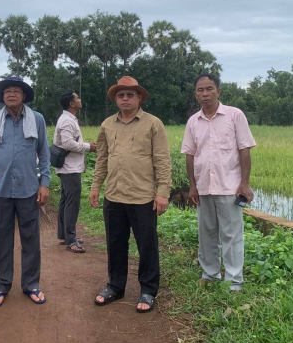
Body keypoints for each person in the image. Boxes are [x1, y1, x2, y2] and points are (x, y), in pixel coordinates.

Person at [89, 76, 172, 313]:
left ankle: (148, 289)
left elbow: (162, 160)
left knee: (147, 245)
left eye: (130, 94)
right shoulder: (107, 125)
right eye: (121, 95)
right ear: (116, 99)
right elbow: (102, 159)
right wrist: (96, 186)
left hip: (143, 197)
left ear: (139, 98)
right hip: (114, 195)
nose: (125, 98)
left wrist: (163, 192)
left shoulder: (153, 124)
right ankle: (115, 286)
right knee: (115, 243)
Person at [0, 76, 51, 308]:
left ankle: (31, 284)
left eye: (16, 91)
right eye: (7, 91)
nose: (11, 94)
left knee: (31, 240)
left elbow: (44, 153)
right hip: (2, 190)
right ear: (3, 96)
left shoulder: (36, 119)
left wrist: (45, 183)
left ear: (24, 96)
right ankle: (1, 285)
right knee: (1, 241)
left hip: (29, 189)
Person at [181, 73, 256, 293]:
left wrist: (244, 183)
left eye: (209, 89)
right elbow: (190, 155)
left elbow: (244, 150)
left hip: (229, 186)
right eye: (200, 90)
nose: (205, 93)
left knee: (232, 235)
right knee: (207, 233)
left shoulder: (234, 115)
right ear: (196, 94)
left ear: (218, 91)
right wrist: (192, 186)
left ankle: (234, 281)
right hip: (204, 186)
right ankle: (210, 274)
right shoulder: (193, 122)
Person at [53, 91, 96, 253]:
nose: (80, 99)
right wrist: (88, 147)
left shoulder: (68, 119)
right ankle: (71, 240)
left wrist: (85, 145)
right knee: (72, 203)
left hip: (68, 167)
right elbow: (68, 143)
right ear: (72, 104)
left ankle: (65, 235)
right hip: (70, 168)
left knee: (65, 201)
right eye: (77, 98)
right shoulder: (66, 120)